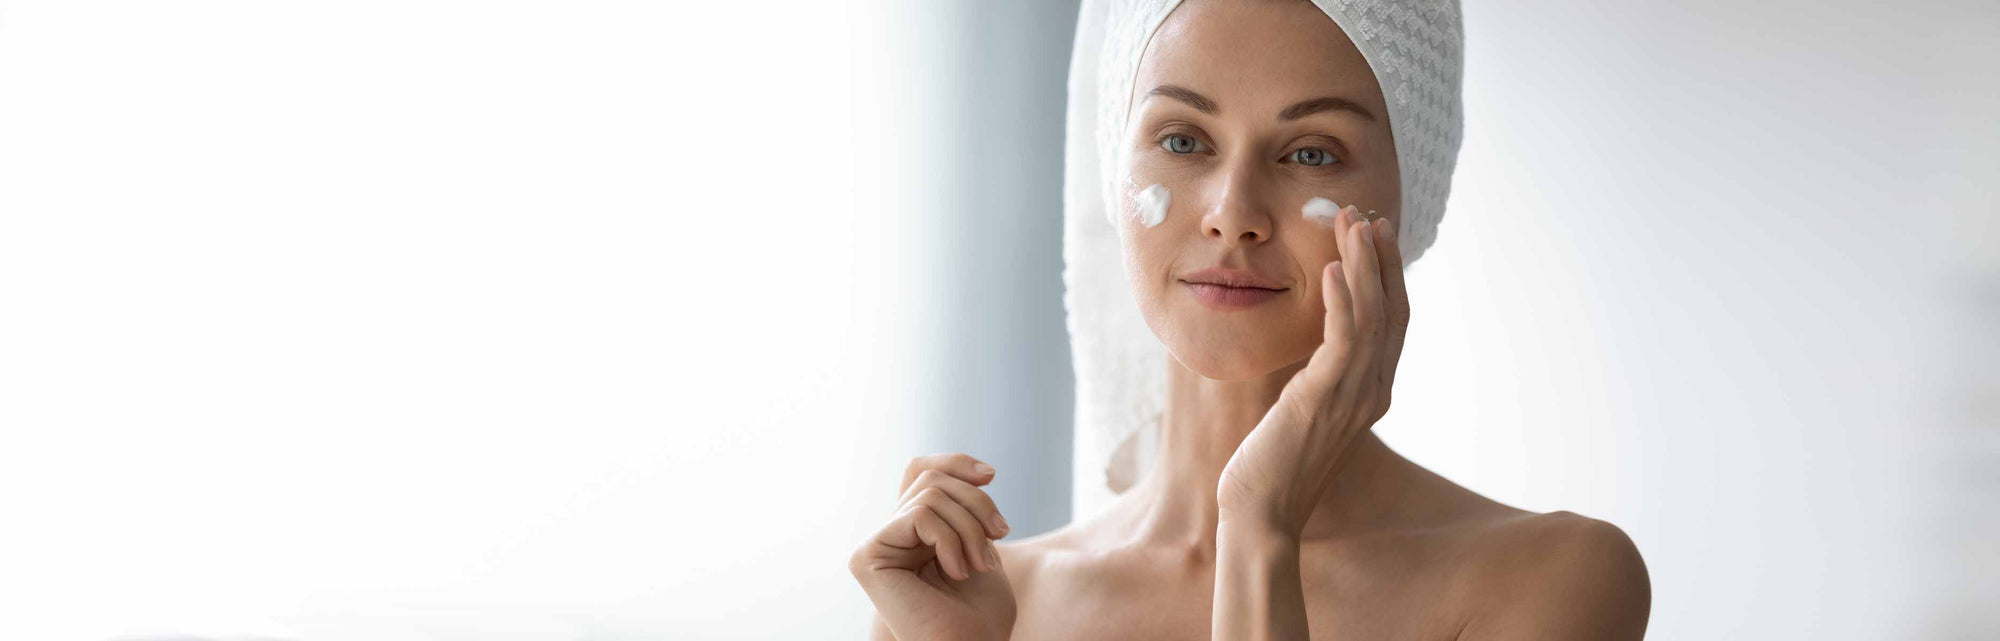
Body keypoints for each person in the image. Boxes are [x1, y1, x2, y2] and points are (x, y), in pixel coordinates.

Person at [850, 0, 1651, 638]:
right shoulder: (977, 605)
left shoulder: (1550, 582)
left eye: (1311, 152)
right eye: (1183, 138)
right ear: (1112, 166)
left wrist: (1262, 522)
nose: (1233, 214)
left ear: (1414, 194)